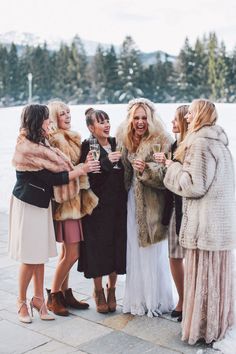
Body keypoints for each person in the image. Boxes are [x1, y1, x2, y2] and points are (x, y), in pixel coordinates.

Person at [8, 104, 99, 323]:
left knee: (39, 255)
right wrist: (81, 170)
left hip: (41, 203)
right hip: (28, 204)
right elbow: (52, 178)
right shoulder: (27, 148)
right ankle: (21, 302)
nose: (49, 122)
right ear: (37, 120)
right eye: (46, 119)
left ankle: (39, 299)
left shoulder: (41, 142)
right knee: (30, 257)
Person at [164, 99, 236, 344]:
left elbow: (195, 185)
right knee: (216, 279)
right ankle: (217, 323)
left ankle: (202, 328)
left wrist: (171, 168)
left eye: (191, 113)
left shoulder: (200, 145)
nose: (186, 117)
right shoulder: (219, 143)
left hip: (203, 227)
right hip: (219, 225)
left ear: (200, 116)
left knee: (203, 278)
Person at [117, 97, 174, 317]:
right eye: (136, 118)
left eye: (144, 118)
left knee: (151, 252)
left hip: (152, 205)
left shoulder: (163, 139)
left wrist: (146, 170)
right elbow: (120, 174)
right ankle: (137, 300)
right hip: (132, 201)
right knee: (134, 249)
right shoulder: (124, 139)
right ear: (130, 119)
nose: (140, 122)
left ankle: (155, 300)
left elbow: (166, 176)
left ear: (150, 118)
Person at [46, 101, 99, 316]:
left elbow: (76, 167)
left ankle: (65, 293)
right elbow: (62, 174)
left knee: (66, 253)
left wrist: (84, 163)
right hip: (67, 204)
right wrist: (83, 167)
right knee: (73, 253)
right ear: (53, 118)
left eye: (68, 112)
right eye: (62, 114)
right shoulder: (56, 140)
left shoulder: (71, 136)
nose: (67, 116)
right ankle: (53, 295)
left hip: (75, 203)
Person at [78, 109, 127, 313]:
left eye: (107, 121)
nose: (106, 125)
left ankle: (112, 289)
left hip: (118, 207)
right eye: (101, 123)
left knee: (116, 247)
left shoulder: (117, 143)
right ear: (91, 128)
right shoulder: (88, 147)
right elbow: (89, 181)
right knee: (98, 249)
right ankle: (98, 291)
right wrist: (107, 162)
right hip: (97, 208)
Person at [154, 105, 189, 322]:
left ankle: (192, 301)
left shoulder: (192, 146)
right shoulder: (174, 145)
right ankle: (183, 299)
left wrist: (169, 165)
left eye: (176, 120)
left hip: (191, 210)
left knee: (192, 259)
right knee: (174, 257)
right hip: (174, 208)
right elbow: (169, 180)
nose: (172, 123)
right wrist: (162, 167)